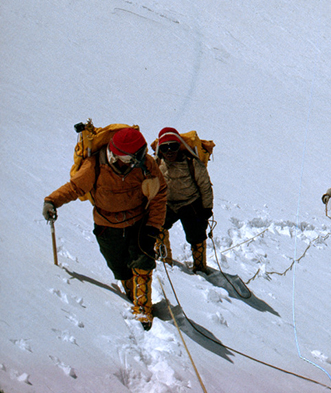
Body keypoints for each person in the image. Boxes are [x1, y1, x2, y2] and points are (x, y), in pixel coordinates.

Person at [43, 127, 167, 330]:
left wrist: (152, 227)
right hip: (107, 225)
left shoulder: (145, 164)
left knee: (143, 257)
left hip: (139, 222)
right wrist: (52, 201)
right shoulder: (95, 165)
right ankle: (131, 293)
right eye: (134, 157)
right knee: (119, 266)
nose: (140, 160)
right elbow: (75, 187)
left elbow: (159, 193)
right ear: (120, 155)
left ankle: (143, 308)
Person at [154, 127, 214, 272]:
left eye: (173, 146)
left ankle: (199, 266)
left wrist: (206, 209)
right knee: (157, 226)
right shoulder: (156, 164)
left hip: (190, 204)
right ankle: (164, 258)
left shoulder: (192, 162)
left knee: (197, 235)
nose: (169, 151)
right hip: (168, 203)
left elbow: (205, 187)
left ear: (179, 146)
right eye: (165, 147)